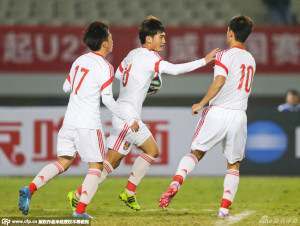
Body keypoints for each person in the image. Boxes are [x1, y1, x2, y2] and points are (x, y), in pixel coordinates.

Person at [67, 15, 219, 211]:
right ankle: (129, 192)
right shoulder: (151, 58)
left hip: (122, 113)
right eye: (161, 37)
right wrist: (203, 61)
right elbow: (173, 69)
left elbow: (119, 74)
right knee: (152, 150)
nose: (164, 41)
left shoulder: (132, 54)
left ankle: (78, 194)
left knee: (111, 162)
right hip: (127, 117)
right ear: (149, 39)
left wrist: (142, 84)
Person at [18, 21, 139, 218]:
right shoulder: (105, 67)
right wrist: (127, 118)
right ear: (104, 43)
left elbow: (66, 88)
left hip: (69, 122)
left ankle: (30, 188)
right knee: (97, 167)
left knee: (63, 162)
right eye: (110, 38)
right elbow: (107, 99)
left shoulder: (79, 61)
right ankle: (79, 211)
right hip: (88, 124)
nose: (112, 41)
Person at [158, 15, 255, 219]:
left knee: (196, 153)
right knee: (233, 165)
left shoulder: (224, 56)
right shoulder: (251, 59)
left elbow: (219, 82)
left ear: (230, 31)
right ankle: (224, 210)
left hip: (218, 111)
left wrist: (201, 103)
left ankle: (176, 182)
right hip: (239, 116)